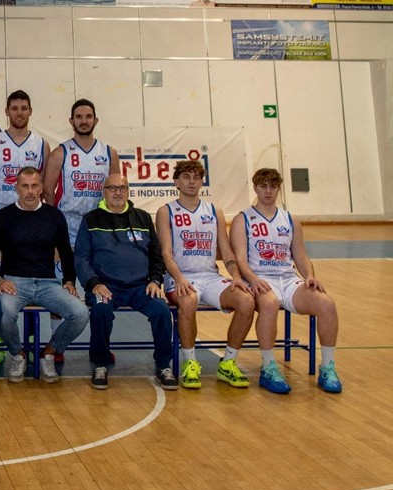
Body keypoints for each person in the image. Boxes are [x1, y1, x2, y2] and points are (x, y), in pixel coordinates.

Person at [230, 168, 342, 394]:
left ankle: (328, 367)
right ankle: (268, 367)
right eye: (263, 186)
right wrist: (252, 279)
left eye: (273, 186)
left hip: (288, 279)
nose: (268, 191)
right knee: (269, 304)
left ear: (279, 189)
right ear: (255, 188)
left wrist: (309, 276)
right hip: (259, 279)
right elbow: (240, 259)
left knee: (327, 304)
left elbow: (300, 256)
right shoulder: (243, 219)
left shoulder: (290, 220)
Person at [156, 160, 256, 389]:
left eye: (196, 177)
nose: (191, 182)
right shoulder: (166, 211)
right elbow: (165, 254)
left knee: (246, 301)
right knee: (188, 300)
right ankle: (190, 363)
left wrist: (236, 276)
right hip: (179, 277)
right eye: (186, 177)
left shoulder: (214, 211)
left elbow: (227, 252)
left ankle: (228, 363)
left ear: (202, 182)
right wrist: (179, 278)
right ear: (176, 182)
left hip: (210, 277)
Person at [75, 173, 177, 390]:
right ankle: (100, 363)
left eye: (122, 188)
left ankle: (163, 365)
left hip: (140, 287)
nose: (118, 192)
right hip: (106, 287)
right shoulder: (91, 219)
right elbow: (81, 258)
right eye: (112, 188)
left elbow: (156, 255)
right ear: (104, 192)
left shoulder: (142, 218)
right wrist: (94, 284)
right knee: (101, 311)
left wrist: (155, 280)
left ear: (128, 191)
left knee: (161, 310)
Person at [0, 166, 90, 383]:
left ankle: (49, 353)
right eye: (25, 186)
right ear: (16, 188)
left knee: (81, 313)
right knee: (2, 313)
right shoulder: (2, 217)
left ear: (42, 188)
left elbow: (66, 252)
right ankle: (18, 354)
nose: (30, 191)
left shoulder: (54, 216)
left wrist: (69, 280)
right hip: (14, 282)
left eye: (34, 186)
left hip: (48, 284)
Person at [47, 99, 120, 246]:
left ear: (96, 120)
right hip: (67, 224)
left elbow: (116, 190)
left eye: (88, 116)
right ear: (71, 121)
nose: (84, 121)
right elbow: (48, 191)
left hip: (100, 222)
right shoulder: (60, 153)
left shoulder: (109, 152)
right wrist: (56, 220)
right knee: (68, 261)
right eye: (79, 117)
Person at [0, 90, 50, 217]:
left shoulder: (42, 145)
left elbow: (44, 186)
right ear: (7, 111)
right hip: (1, 210)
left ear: (30, 111)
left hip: (31, 213)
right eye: (14, 108)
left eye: (24, 108)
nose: (19, 113)